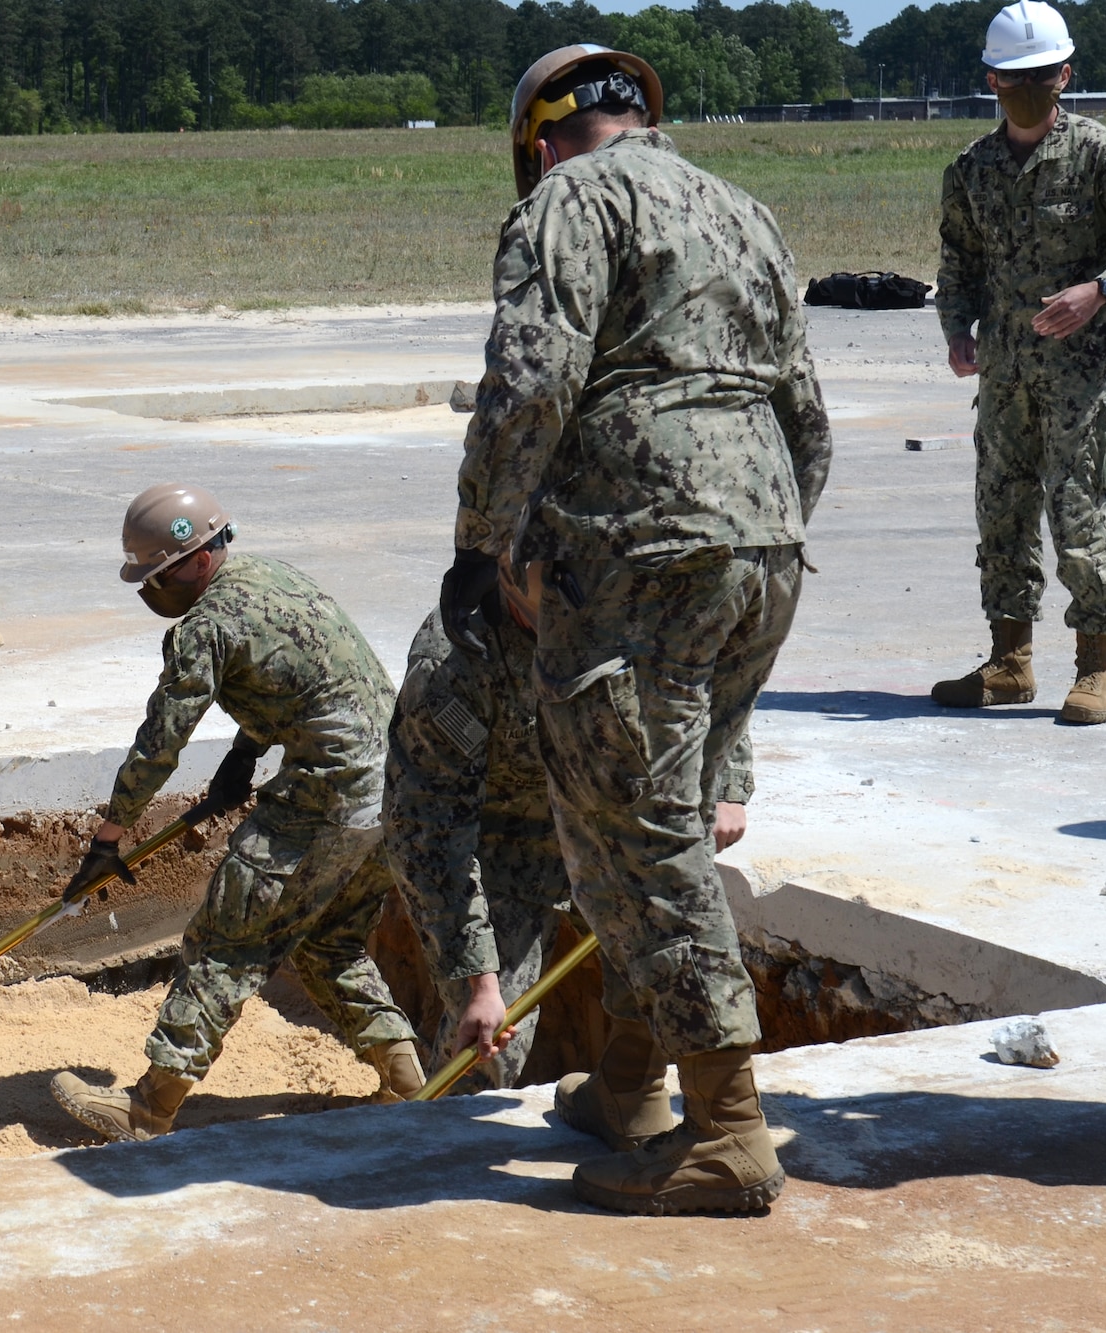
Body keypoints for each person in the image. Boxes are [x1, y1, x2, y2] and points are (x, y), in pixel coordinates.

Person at [441, 45, 831, 1214]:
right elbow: (803, 407)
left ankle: (727, 1131)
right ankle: (624, 1083)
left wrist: (478, 539)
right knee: (624, 818)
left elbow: (529, 380)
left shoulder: (566, 204)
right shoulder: (741, 207)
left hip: (635, 556)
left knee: (642, 837)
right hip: (759, 548)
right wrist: (753, 534)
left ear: (540, 141)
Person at [50, 484, 424, 1143]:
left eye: (159, 574)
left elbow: (160, 742)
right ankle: (410, 1085)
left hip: (327, 798)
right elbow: (303, 677)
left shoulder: (207, 626)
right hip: (397, 795)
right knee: (329, 943)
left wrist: (109, 838)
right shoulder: (276, 577)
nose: (154, 589)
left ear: (196, 557)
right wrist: (244, 756)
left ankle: (146, 1112)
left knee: (226, 941)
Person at [386, 557, 753, 1147]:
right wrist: (479, 981)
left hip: (612, 816)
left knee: (668, 965)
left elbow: (707, 682)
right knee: (489, 1042)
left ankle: (629, 1095)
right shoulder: (455, 659)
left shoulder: (626, 605)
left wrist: (727, 786)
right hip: (504, 844)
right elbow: (427, 828)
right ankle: (439, 1149)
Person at [932, 1, 1106, 725]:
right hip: (1004, 378)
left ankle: (1098, 665)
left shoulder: (1099, 155)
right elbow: (958, 259)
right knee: (1001, 514)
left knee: (1079, 514)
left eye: (1043, 75)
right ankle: (1009, 662)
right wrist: (956, 330)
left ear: (1066, 75)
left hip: (1081, 380)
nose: (1030, 87)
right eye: (1015, 77)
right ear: (992, 81)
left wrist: (1098, 290)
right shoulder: (971, 168)